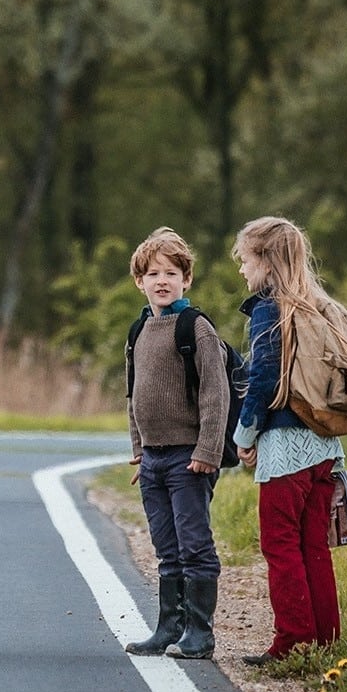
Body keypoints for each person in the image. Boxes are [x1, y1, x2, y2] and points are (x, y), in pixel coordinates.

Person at [232, 216, 343, 666]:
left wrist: (244, 435)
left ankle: (293, 640)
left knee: (279, 546)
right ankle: (325, 637)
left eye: (245, 260)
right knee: (313, 545)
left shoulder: (268, 309)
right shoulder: (319, 305)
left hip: (285, 449)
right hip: (326, 447)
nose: (242, 270)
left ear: (265, 261)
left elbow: (261, 379)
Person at [123, 227, 229, 660]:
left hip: (189, 459)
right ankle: (169, 627)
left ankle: (200, 634)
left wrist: (207, 451)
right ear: (139, 281)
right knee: (166, 547)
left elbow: (215, 393)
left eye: (171, 272)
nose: (162, 280)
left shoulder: (195, 327)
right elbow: (132, 393)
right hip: (153, 459)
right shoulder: (139, 330)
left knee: (194, 544)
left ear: (187, 279)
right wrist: (138, 446)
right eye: (153, 273)